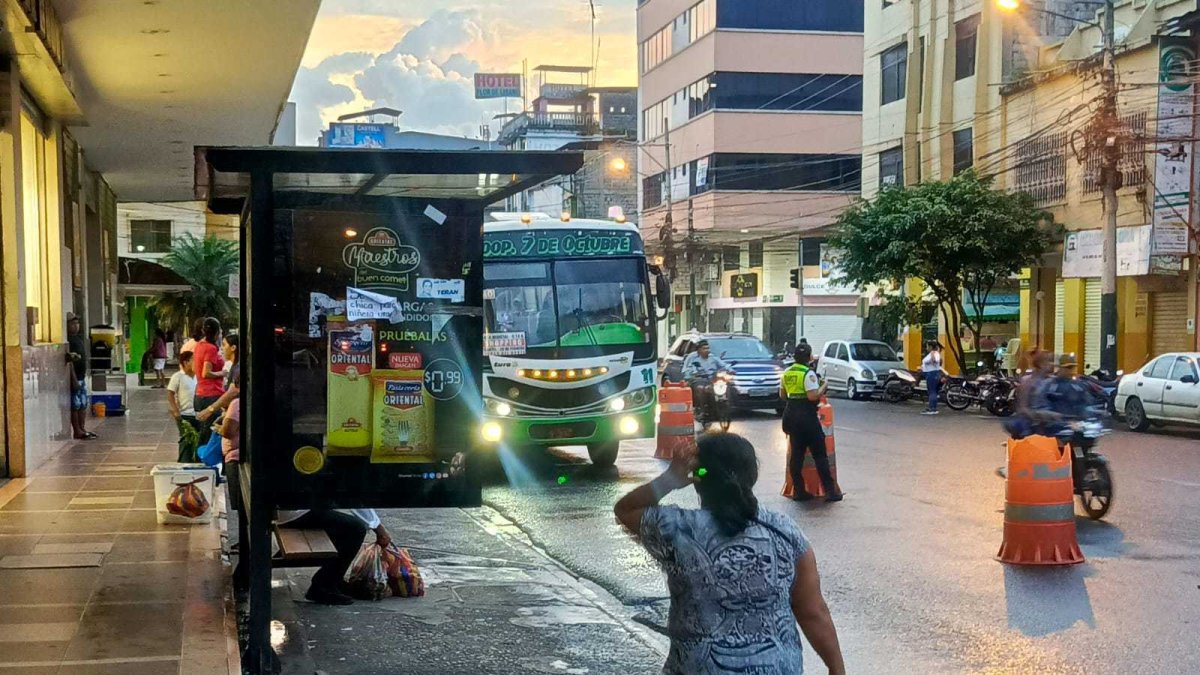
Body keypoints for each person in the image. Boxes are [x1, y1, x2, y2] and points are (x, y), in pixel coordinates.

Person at [614, 433, 846, 675]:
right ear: (752, 477)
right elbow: (813, 612)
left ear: (697, 479)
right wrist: (836, 669)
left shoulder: (677, 529)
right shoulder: (785, 532)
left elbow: (625, 509)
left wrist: (670, 479)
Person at [276, 508, 392, 605]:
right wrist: (378, 528)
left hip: (287, 510)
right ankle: (324, 585)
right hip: (296, 512)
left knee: (342, 524)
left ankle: (333, 579)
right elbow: (352, 496)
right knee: (355, 529)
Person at [781, 343, 842, 502]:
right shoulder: (808, 374)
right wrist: (824, 386)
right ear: (809, 357)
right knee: (820, 455)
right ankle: (830, 492)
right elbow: (813, 396)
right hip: (807, 418)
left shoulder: (787, 372)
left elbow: (782, 395)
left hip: (791, 416)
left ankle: (799, 491)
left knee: (796, 456)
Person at [191, 318, 226, 443]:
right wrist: (223, 373)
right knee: (211, 433)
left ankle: (201, 452)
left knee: (204, 432)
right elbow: (206, 372)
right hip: (211, 394)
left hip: (200, 394)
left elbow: (194, 368)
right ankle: (206, 453)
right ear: (217, 332)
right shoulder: (211, 348)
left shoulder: (199, 345)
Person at [66, 314, 96, 440]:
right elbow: (69, 362)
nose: (76, 326)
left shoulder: (78, 339)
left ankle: (83, 429)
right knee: (76, 405)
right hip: (75, 378)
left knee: (83, 404)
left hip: (81, 377)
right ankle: (77, 430)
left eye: (77, 323)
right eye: (73, 323)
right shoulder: (69, 341)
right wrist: (73, 379)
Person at [198, 333, 241, 423]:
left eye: (224, 345)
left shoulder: (238, 368)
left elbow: (232, 392)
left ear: (233, 348)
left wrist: (210, 410)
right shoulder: (234, 366)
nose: (222, 348)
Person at [167, 351, 201, 462]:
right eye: (194, 360)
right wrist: (176, 411)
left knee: (199, 438)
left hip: (199, 414)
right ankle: (184, 461)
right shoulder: (177, 377)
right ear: (186, 362)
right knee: (186, 439)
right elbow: (170, 394)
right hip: (185, 414)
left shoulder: (199, 376)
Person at [682, 340, 731, 414]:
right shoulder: (692, 358)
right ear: (699, 350)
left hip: (711, 379)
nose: (707, 350)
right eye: (704, 348)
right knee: (700, 388)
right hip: (698, 379)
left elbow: (724, 365)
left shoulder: (713, 358)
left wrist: (730, 370)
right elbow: (686, 370)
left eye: (708, 348)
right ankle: (701, 410)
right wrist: (693, 374)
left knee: (726, 386)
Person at [920, 341, 946, 415]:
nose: (926, 348)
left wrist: (932, 355)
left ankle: (932, 409)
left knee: (932, 391)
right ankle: (932, 407)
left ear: (931, 347)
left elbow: (935, 361)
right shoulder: (932, 353)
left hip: (932, 374)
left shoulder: (935, 353)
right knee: (932, 391)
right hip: (930, 374)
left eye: (927, 346)